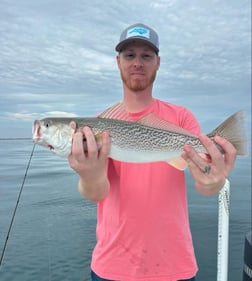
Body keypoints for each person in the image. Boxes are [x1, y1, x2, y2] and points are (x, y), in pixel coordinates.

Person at [68, 23, 237, 281]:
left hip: (175, 265)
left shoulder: (181, 117)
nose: (138, 62)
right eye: (130, 55)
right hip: (112, 267)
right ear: (118, 61)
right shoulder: (96, 127)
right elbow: (97, 193)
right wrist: (88, 174)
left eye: (146, 56)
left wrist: (214, 178)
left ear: (158, 62)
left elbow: (205, 183)